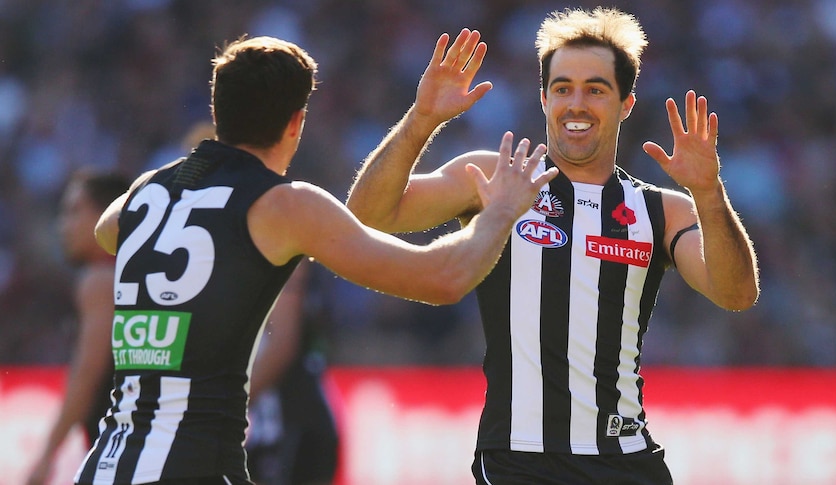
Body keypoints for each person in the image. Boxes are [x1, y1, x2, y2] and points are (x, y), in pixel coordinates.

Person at [73, 35, 557, 485]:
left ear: (219, 112)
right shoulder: (286, 205)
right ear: (295, 123)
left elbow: (106, 231)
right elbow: (445, 278)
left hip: (105, 465)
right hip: (191, 466)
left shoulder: (148, 192)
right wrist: (499, 212)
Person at [346, 9, 760, 485]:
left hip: (626, 458)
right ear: (544, 99)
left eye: (595, 89)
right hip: (521, 460)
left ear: (625, 103)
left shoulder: (663, 211)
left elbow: (736, 294)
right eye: (562, 88)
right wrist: (421, 120)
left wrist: (709, 193)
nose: (576, 103)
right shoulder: (496, 176)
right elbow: (368, 215)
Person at [27, 169, 130, 485]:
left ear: (107, 216)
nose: (63, 226)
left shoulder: (100, 280)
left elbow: (88, 373)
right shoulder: (139, 272)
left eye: (74, 212)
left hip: (118, 449)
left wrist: (48, 453)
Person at [245, 261, 339, 485]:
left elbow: (282, 346)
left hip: (290, 424)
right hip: (279, 422)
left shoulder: (280, 247)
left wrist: (224, 404)